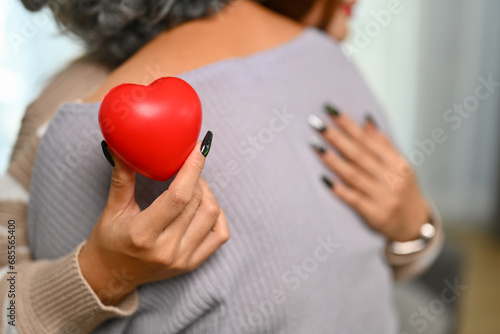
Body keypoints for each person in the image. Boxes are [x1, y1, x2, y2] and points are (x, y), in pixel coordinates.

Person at [0, 0, 444, 332]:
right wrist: (98, 273)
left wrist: (414, 228)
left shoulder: (321, 59)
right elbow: (8, 285)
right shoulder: (66, 119)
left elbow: (341, 276)